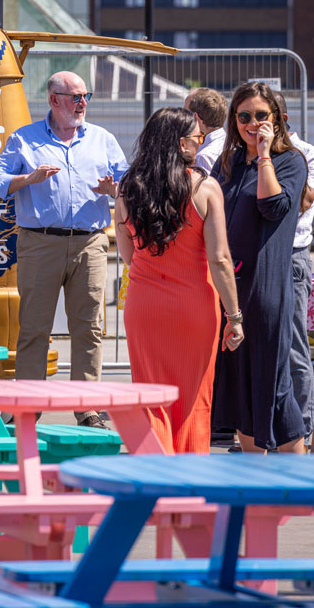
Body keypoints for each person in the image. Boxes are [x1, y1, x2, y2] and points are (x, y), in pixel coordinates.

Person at [0, 71, 128, 428]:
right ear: (54, 100)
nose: (83, 104)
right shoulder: (25, 139)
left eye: (86, 96)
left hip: (91, 243)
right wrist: (28, 179)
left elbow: (129, 184)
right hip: (40, 242)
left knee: (89, 327)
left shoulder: (102, 139)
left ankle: (87, 408)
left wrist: (113, 190)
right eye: (75, 97)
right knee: (34, 328)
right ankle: (28, 406)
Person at [114, 107, 243, 453]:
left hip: (145, 305)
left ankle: (155, 475)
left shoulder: (127, 188)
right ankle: (187, 484)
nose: (200, 145)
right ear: (180, 143)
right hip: (194, 306)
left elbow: (128, 256)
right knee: (193, 398)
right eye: (196, 138)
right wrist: (235, 315)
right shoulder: (204, 187)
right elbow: (219, 258)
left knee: (151, 396)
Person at [213, 81, 307, 453]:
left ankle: (294, 481)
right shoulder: (230, 163)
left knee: (274, 381)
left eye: (261, 116)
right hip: (229, 287)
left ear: (276, 119)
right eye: (244, 116)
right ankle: (255, 480)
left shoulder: (290, 160)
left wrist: (265, 153)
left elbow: (273, 208)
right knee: (239, 384)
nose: (252, 123)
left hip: (266, 287)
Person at [275, 93, 314, 444]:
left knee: (294, 346)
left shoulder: (306, 152)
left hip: (291, 256)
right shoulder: (243, 155)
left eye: (263, 115)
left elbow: (301, 201)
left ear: (282, 117)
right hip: (260, 256)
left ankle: (300, 428)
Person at [185, 87, 227, 174]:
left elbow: (201, 187)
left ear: (195, 117)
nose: (183, 117)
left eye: (185, 113)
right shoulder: (230, 142)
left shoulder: (203, 157)